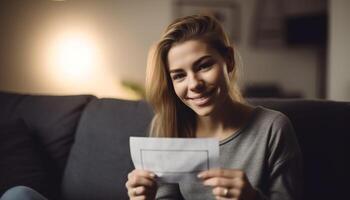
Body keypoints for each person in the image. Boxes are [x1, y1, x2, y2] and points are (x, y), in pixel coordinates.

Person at [125, 15, 302, 200]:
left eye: (204, 66)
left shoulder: (273, 129)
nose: (194, 84)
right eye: (179, 76)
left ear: (229, 60)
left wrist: (252, 198)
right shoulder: (168, 125)